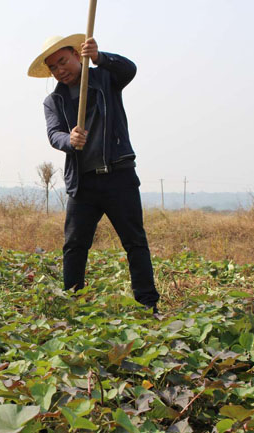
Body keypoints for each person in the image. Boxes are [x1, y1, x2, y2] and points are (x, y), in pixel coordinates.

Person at [28, 35, 159, 312]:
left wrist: (100, 57)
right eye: (53, 68)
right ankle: (73, 303)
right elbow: (54, 134)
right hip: (83, 183)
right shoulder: (54, 101)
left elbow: (129, 69)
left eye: (63, 61)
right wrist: (69, 140)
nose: (60, 70)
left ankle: (148, 305)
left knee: (135, 242)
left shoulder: (105, 79)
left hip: (118, 175)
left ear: (77, 55)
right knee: (74, 246)